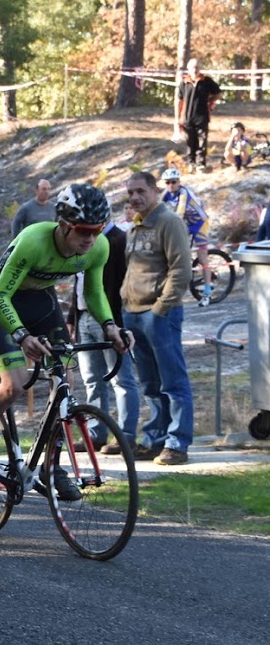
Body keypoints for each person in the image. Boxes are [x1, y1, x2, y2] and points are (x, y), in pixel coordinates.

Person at [0, 185, 131, 497]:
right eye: (84, 231)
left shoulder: (98, 249)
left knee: (65, 382)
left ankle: (51, 465)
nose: (90, 239)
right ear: (65, 225)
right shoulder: (33, 240)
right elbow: (0, 295)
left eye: (96, 231)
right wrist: (21, 335)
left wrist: (111, 326)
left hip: (43, 303)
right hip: (6, 302)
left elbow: (95, 292)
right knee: (14, 387)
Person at [122, 170, 194, 465]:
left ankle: (177, 443)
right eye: (130, 193)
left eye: (140, 191)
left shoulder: (169, 221)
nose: (135, 198)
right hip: (133, 314)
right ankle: (155, 438)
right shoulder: (134, 227)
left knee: (172, 381)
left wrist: (161, 307)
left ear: (154, 191)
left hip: (159, 314)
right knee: (150, 383)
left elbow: (181, 270)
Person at [66, 218, 139, 454]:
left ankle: (125, 435)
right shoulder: (83, 241)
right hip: (84, 315)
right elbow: (79, 280)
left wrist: (116, 323)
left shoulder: (117, 239)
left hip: (109, 318)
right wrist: (71, 317)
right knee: (91, 378)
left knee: (121, 378)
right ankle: (96, 434)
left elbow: (120, 284)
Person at [159, 167, 214, 306]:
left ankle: (207, 293)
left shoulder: (184, 193)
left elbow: (179, 214)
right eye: (168, 182)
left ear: (179, 182)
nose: (171, 185)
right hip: (188, 223)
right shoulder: (167, 193)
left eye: (174, 182)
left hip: (200, 223)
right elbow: (156, 207)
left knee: (202, 257)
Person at [176, 58, 221, 171]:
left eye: (197, 67)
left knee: (202, 141)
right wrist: (177, 118)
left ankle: (201, 163)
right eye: (192, 67)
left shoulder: (206, 81)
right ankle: (191, 162)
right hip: (187, 117)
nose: (194, 70)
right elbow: (179, 101)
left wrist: (210, 101)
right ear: (188, 69)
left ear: (200, 68)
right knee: (190, 141)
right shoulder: (184, 83)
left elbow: (218, 93)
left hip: (202, 116)